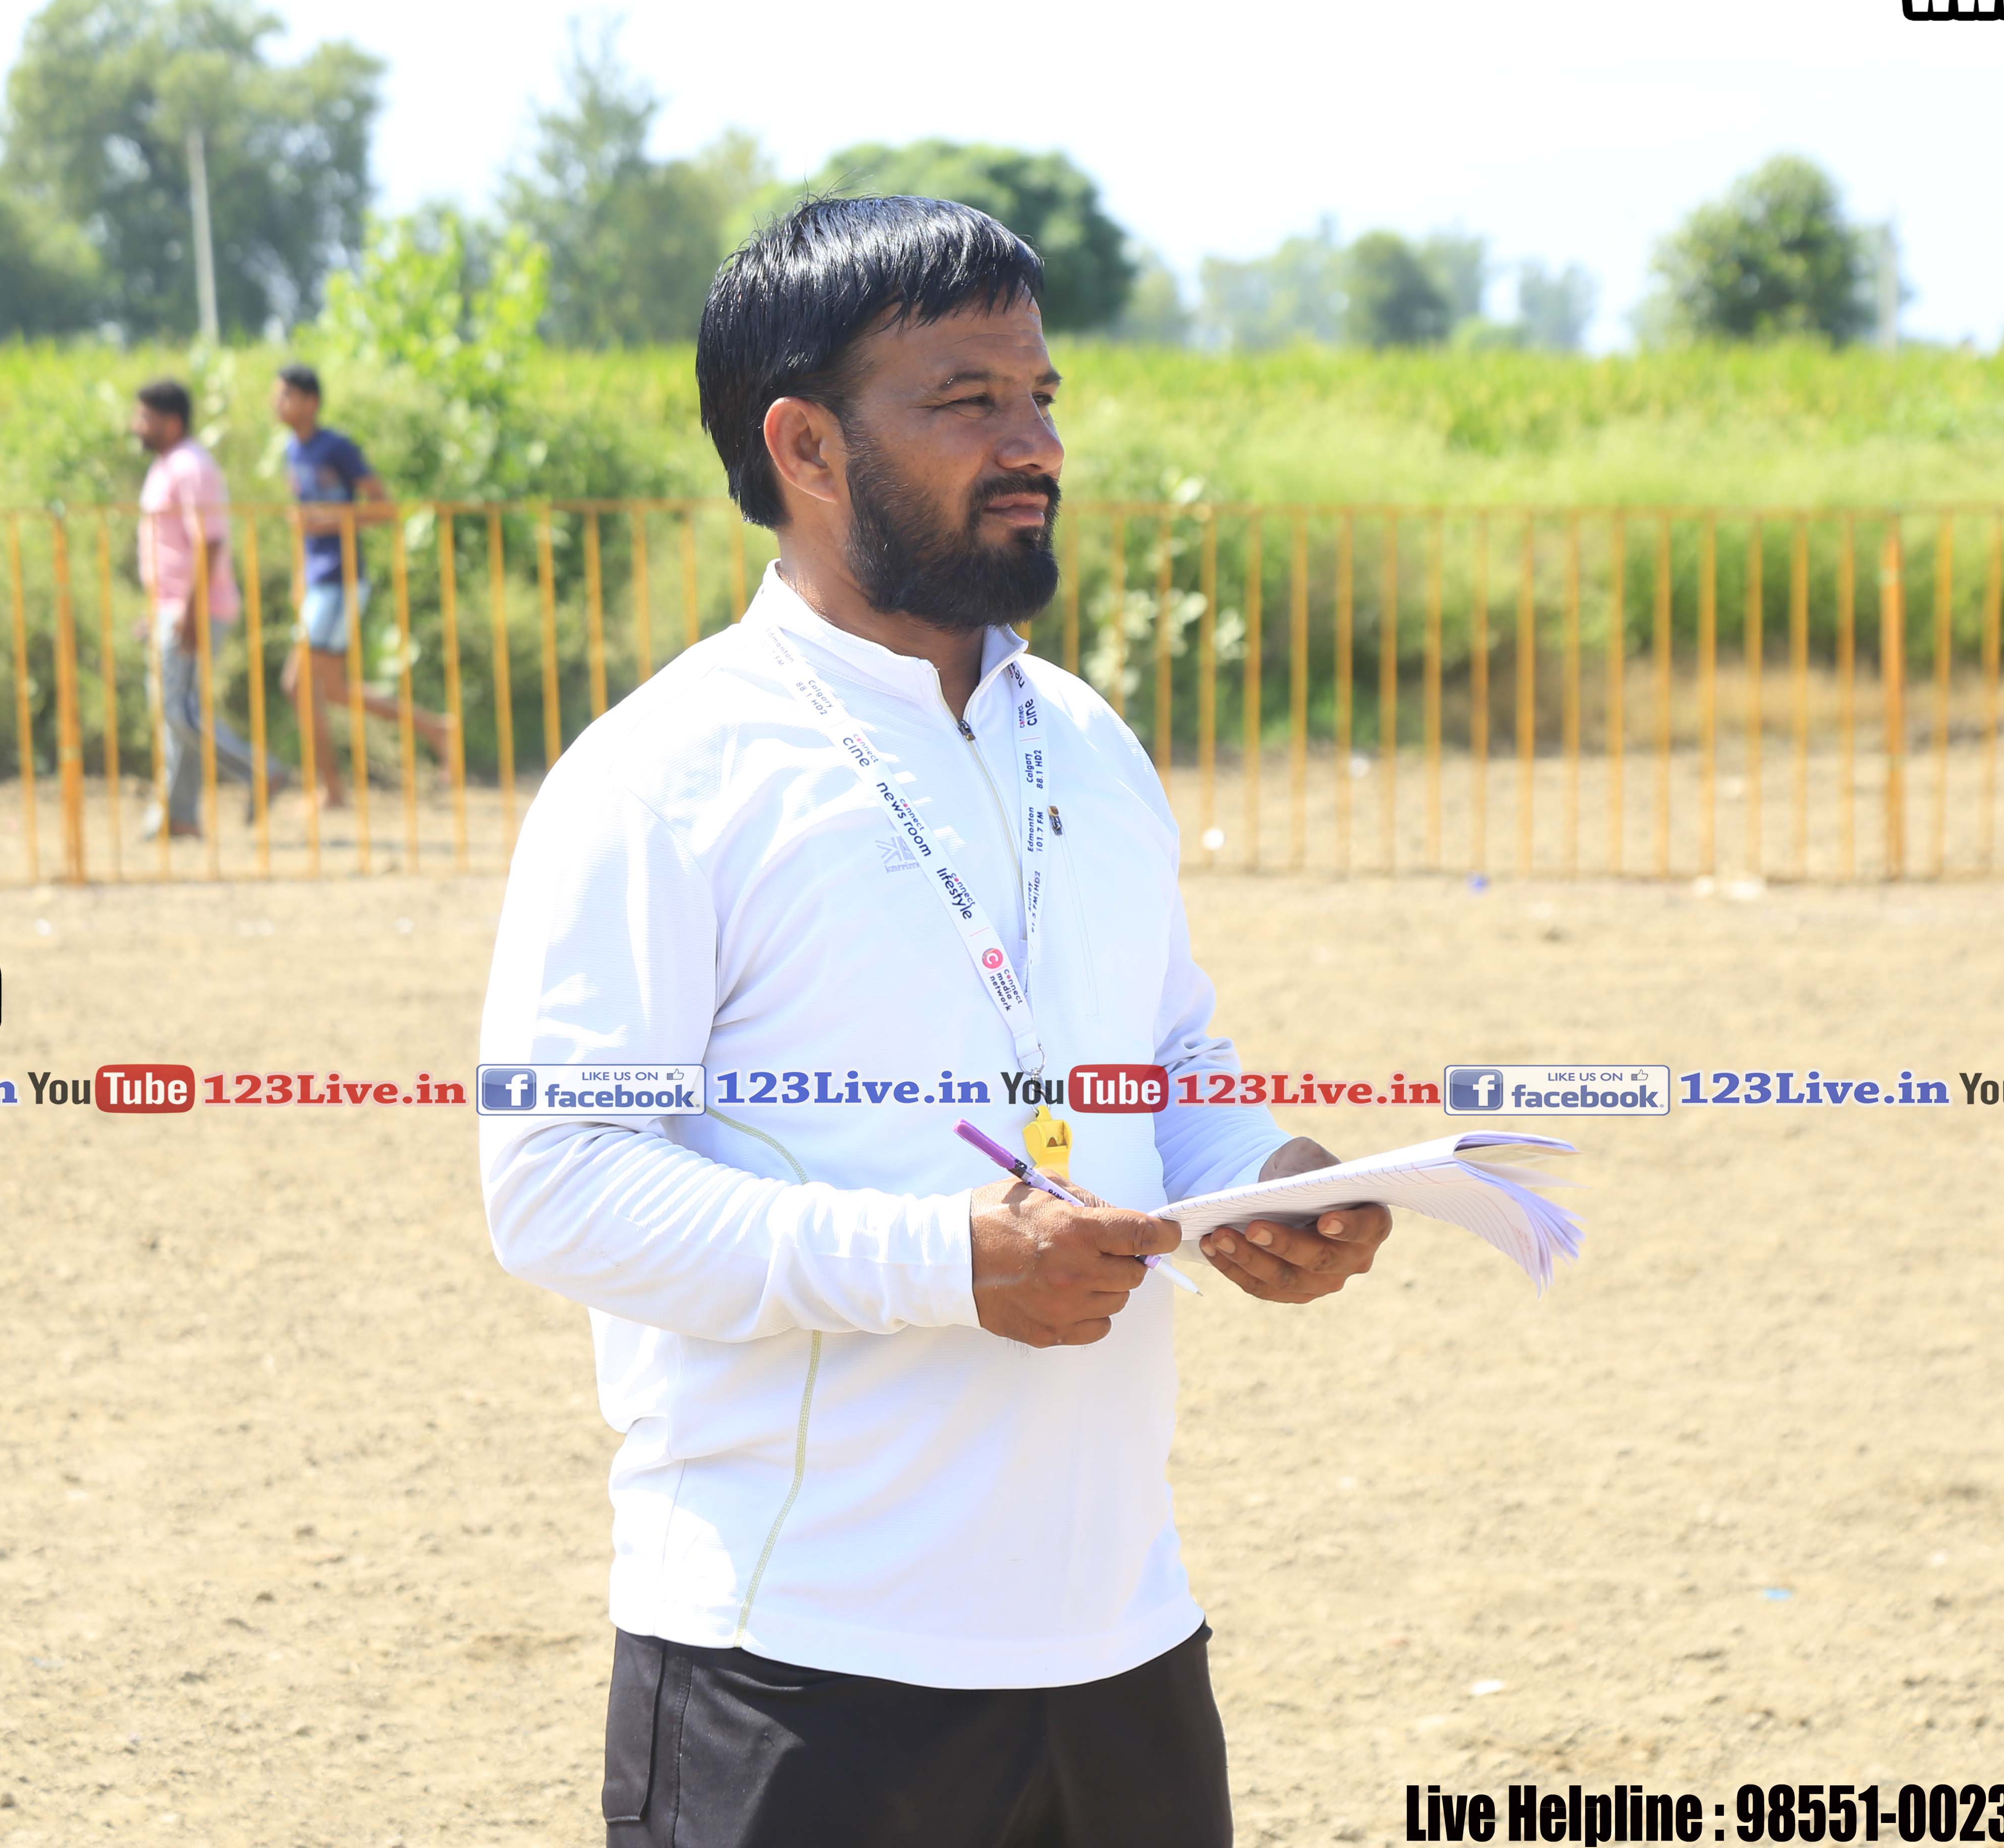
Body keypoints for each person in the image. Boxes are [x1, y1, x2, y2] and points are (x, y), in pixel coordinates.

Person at [477, 198, 1395, 1848]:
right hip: (797, 1662)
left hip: (1122, 1644)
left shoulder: (1089, 741)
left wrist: (1261, 1177)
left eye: (1040, 396)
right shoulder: (664, 773)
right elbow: (556, 1183)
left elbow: (1163, 1061)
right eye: (968, 400)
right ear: (806, 446)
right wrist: (941, 1263)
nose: (1033, 444)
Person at [270, 364, 451, 809]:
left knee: (297, 685)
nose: (277, 403)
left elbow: (385, 508)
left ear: (311, 402)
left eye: (286, 395)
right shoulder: (292, 452)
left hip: (340, 577)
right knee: (332, 690)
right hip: (317, 581)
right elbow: (303, 525)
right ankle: (436, 728)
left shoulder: (337, 448)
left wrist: (328, 522)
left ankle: (332, 789)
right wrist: (299, 578)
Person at [132, 378, 292, 838]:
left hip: (194, 607)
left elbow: (210, 541)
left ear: (171, 422)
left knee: (180, 710)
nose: (136, 425)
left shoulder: (191, 465)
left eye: (145, 417)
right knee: (176, 712)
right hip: (173, 605)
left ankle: (260, 772)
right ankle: (180, 815)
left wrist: (188, 610)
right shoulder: (167, 465)